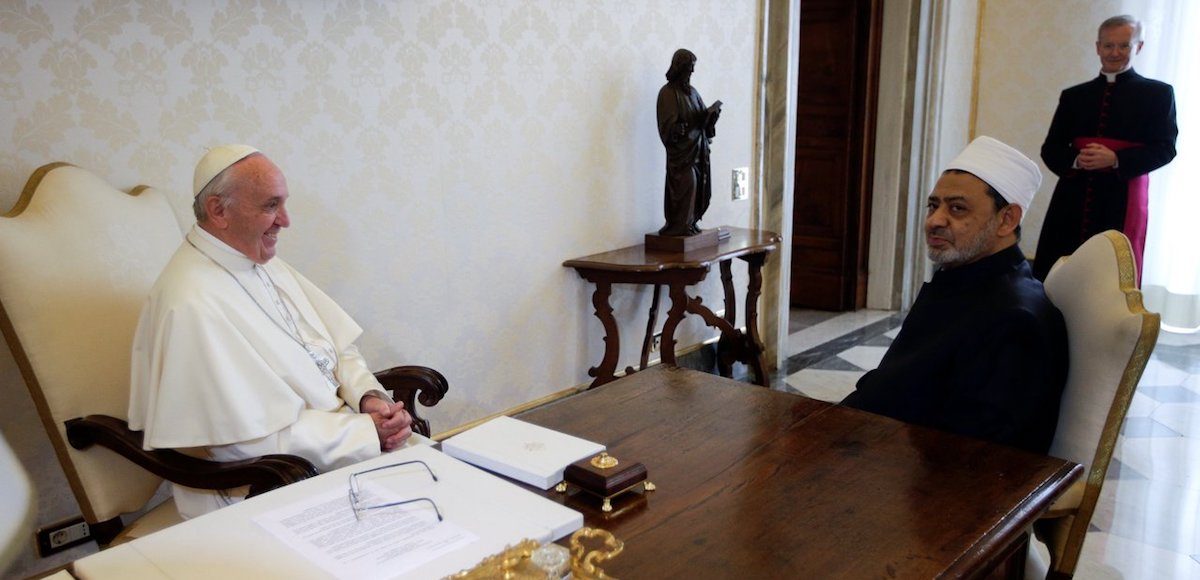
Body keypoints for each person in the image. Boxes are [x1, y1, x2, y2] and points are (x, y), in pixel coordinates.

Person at [128, 145, 415, 519]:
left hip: (339, 449)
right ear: (219, 211)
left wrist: (367, 396)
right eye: (270, 206)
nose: (285, 220)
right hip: (262, 485)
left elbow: (331, 349)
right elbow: (242, 444)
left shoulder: (258, 260)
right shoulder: (190, 302)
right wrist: (365, 433)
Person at [842, 136, 1069, 454]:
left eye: (957, 209)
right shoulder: (959, 276)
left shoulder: (1015, 319)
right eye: (933, 206)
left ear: (1007, 219)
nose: (934, 221)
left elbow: (974, 451)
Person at [1033, 14, 1178, 283]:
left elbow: (1165, 148)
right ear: (1098, 47)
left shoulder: (1158, 94)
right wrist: (1077, 160)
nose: (1115, 53)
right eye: (1108, 45)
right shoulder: (1074, 96)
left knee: (1109, 281)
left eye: (1124, 45)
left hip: (1122, 197)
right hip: (1072, 196)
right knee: (1059, 271)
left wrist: (1115, 159)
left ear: (1139, 47)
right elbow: (1051, 147)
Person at [657, 48, 721, 237]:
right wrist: (676, 130)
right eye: (689, 68)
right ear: (680, 68)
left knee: (699, 186)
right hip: (682, 156)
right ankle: (679, 225)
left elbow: (702, 120)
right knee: (688, 183)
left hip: (698, 151)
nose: (692, 72)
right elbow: (666, 126)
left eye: (693, 68)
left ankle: (690, 223)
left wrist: (711, 118)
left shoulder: (693, 93)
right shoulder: (668, 93)